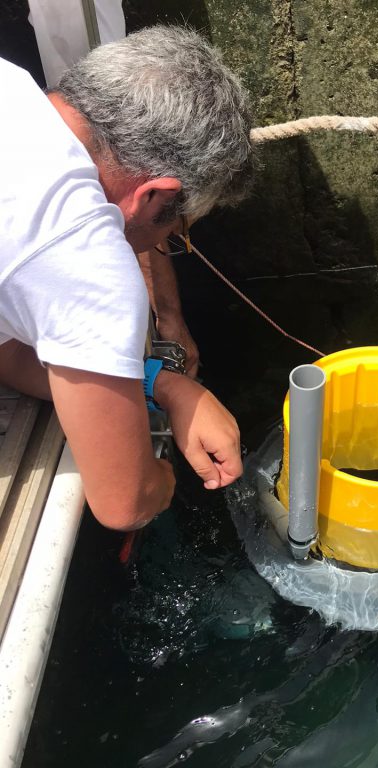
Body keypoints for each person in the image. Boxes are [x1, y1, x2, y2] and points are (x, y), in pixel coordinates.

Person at [0, 24, 254, 530]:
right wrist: (161, 480)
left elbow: (5, 355)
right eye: (173, 235)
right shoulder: (86, 255)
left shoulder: (11, 85)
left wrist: (163, 385)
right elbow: (124, 504)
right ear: (155, 194)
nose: (159, 247)